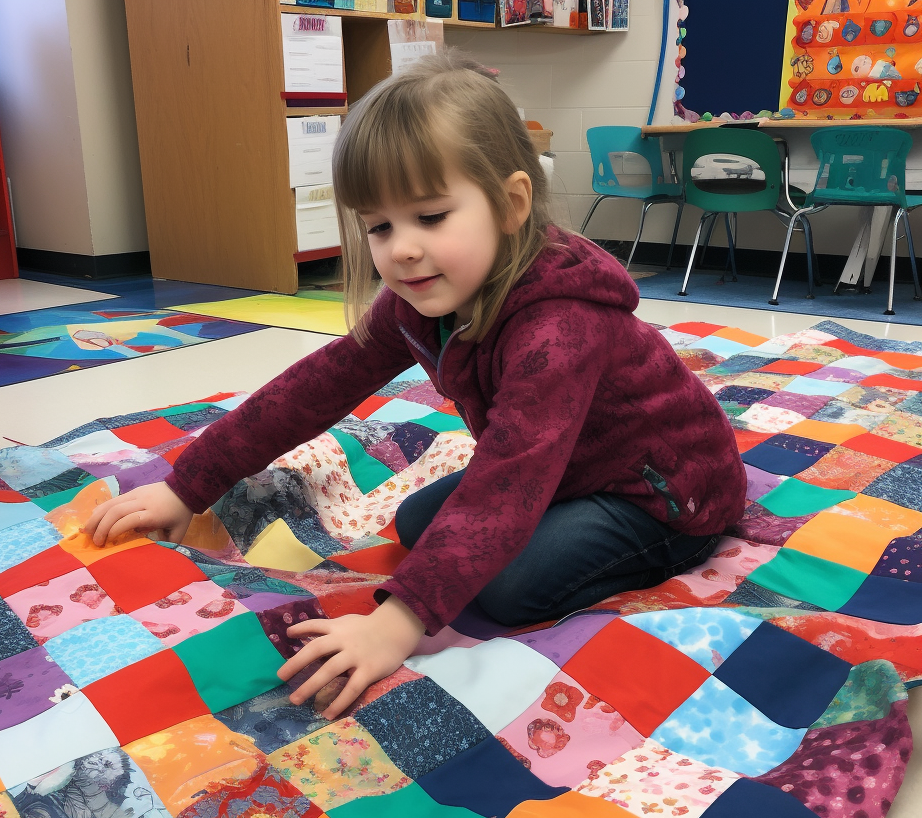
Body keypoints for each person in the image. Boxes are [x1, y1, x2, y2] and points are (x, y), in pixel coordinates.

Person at [84, 51, 746, 721]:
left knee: (508, 585)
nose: (401, 248)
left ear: (511, 204)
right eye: (380, 225)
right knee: (418, 525)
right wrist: (186, 483)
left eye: (430, 217)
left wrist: (395, 625)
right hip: (569, 473)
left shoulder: (559, 328)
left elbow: (510, 481)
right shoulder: (416, 301)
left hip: (665, 496)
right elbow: (312, 388)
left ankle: (676, 545)